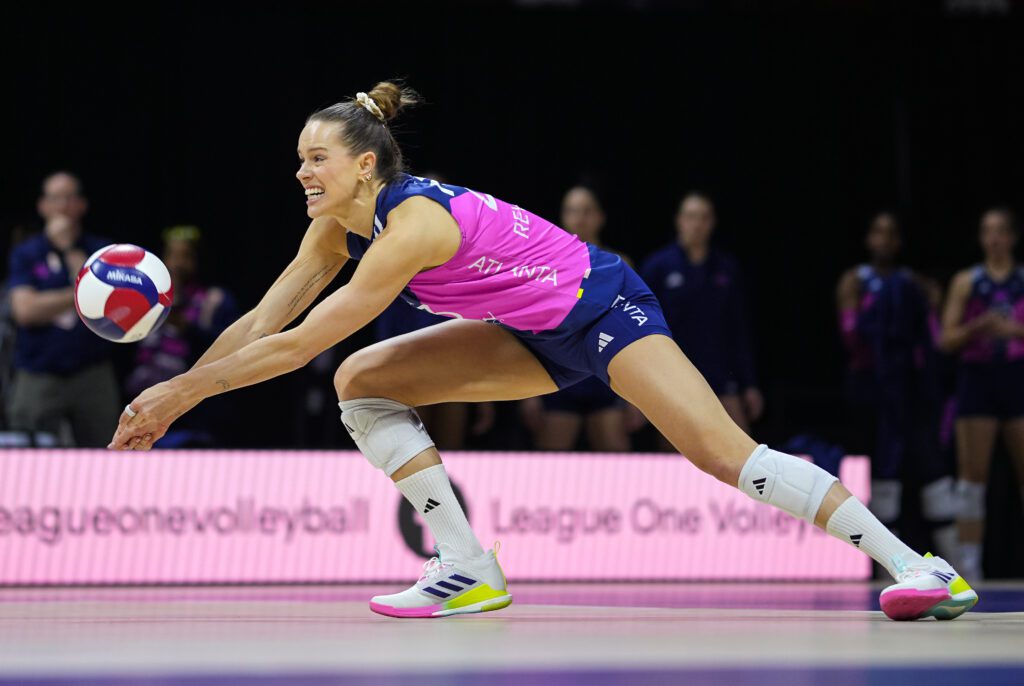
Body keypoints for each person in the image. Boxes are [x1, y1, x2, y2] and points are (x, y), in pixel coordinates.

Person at [110, 82, 977, 621]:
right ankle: (465, 567)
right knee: (363, 383)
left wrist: (181, 400)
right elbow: (264, 322)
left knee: (726, 458)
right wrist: (173, 384)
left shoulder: (409, 225)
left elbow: (300, 341)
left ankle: (916, 564)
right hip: (529, 331)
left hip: (604, 307)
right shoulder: (335, 228)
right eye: (297, 159)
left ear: (368, 165)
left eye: (317, 159)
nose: (302, 173)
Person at [836, 212, 957, 562]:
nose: (884, 240)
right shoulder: (854, 281)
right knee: (878, 473)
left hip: (911, 393)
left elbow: (933, 340)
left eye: (891, 234)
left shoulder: (913, 284)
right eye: (878, 232)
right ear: (868, 239)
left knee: (928, 467)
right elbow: (849, 335)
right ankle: (879, 563)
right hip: (869, 391)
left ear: (899, 242)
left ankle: (960, 563)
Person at [6, 172, 120, 446]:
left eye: (69, 198)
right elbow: (25, 311)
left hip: (92, 372)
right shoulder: (26, 252)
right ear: (42, 206)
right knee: (27, 453)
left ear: (82, 205)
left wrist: (69, 250)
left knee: (107, 451)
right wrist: (80, 295)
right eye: (55, 198)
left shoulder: (101, 251)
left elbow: (111, 306)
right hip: (38, 371)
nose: (62, 206)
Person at [941, 207, 1024, 581]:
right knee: (972, 477)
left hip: (1016, 377)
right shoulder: (966, 281)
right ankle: (969, 565)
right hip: (978, 380)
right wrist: (979, 326)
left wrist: (1013, 331)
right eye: (987, 231)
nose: (993, 238)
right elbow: (946, 338)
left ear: (1012, 237)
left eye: (1000, 231)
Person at [520, 185, 634, 451]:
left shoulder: (620, 264)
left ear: (600, 217)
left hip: (607, 375)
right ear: (563, 216)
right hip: (560, 371)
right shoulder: (546, 265)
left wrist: (635, 397)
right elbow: (529, 328)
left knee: (618, 459)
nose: (579, 218)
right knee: (551, 462)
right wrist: (529, 394)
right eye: (572, 211)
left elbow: (634, 330)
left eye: (586, 211)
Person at [640, 192, 763, 436]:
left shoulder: (726, 268)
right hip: (674, 374)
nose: (697, 224)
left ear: (712, 222)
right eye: (691, 216)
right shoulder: (657, 267)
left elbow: (737, 329)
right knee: (677, 448)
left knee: (742, 444)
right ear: (679, 221)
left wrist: (749, 384)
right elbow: (641, 327)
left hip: (719, 374)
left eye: (703, 217)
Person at [124, 225, 239, 447]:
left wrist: (190, 328)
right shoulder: (146, 299)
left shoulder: (214, 301)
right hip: (144, 403)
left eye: (185, 256)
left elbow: (231, 354)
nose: (177, 265)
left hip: (195, 411)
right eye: (172, 256)